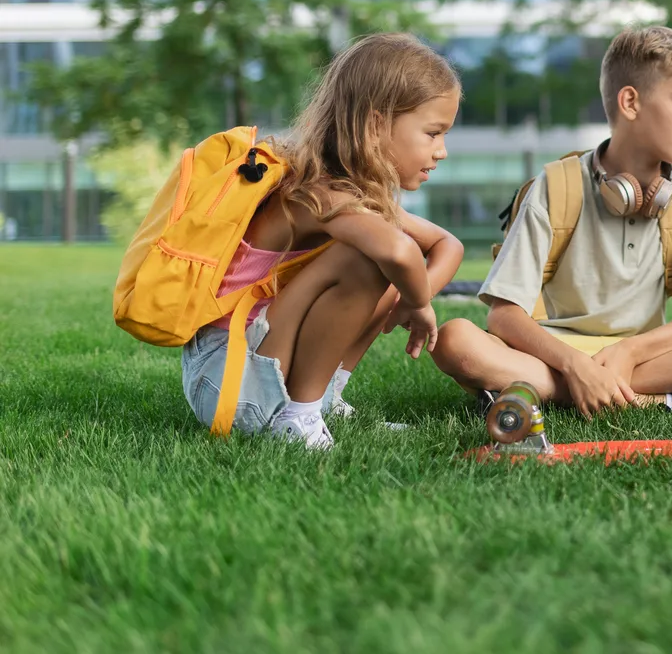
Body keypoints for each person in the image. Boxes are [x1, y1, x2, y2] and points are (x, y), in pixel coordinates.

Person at [430, 26, 672, 416]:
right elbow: (504, 315)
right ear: (630, 102)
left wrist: (632, 350)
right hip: (558, 354)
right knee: (455, 340)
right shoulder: (555, 186)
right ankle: (660, 398)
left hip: (644, 354)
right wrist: (574, 365)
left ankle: (552, 392)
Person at [180, 33, 465, 449]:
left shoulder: (355, 194)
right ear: (375, 125)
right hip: (227, 376)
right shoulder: (316, 192)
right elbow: (400, 252)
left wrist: (409, 297)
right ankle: (297, 416)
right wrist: (419, 304)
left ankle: (321, 400)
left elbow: (447, 245)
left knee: (388, 267)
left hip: (253, 363)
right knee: (367, 260)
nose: (441, 151)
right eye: (433, 133)